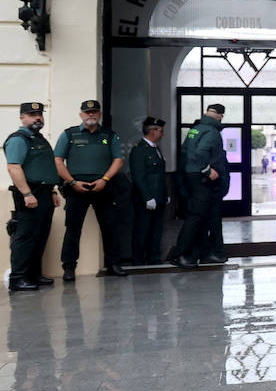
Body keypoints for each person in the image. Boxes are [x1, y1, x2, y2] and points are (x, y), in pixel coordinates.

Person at [54, 99, 130, 279]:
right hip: (76, 187)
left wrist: (104, 179)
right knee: (73, 229)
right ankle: (69, 268)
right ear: (81, 115)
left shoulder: (110, 135)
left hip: (103, 187)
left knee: (110, 227)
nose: (91, 115)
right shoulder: (69, 134)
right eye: (87, 112)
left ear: (100, 114)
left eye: (94, 112)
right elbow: (58, 160)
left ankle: (113, 264)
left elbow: (118, 160)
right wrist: (72, 182)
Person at [5, 102, 60, 292]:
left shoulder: (38, 138)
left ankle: (33, 274)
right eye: (32, 114)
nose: (37, 117)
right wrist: (26, 193)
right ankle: (18, 278)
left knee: (40, 235)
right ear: (22, 117)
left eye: (39, 114)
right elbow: (13, 167)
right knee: (25, 236)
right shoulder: (19, 139)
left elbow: (45, 168)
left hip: (44, 193)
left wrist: (52, 191)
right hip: (30, 194)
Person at [170, 103, 229, 268]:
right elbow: (200, 152)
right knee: (195, 217)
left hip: (192, 177)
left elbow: (186, 151)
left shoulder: (196, 129)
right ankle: (180, 254)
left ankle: (204, 254)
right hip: (201, 180)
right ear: (220, 116)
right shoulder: (212, 131)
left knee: (201, 216)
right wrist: (207, 170)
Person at [128, 117, 169, 265]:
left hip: (158, 196)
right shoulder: (139, 149)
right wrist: (147, 197)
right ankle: (138, 259)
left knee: (156, 229)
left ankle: (154, 257)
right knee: (142, 229)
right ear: (153, 131)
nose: (162, 134)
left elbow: (160, 174)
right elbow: (139, 176)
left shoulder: (155, 148)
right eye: (161, 131)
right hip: (145, 197)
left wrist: (165, 194)